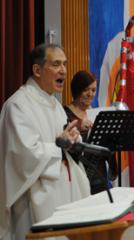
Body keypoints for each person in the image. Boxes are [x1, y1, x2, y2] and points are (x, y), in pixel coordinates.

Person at [0, 43, 90, 240]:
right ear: (37, 70)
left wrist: (73, 139)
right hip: (36, 200)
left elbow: (62, 140)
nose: (64, 71)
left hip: (64, 192)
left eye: (65, 64)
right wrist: (60, 145)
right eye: (56, 64)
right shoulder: (18, 105)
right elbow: (23, 155)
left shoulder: (54, 104)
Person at [64, 71, 116, 194]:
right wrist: (80, 129)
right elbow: (65, 146)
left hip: (99, 175)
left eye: (93, 90)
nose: (90, 94)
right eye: (86, 90)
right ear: (77, 90)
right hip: (78, 176)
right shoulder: (64, 113)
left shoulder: (96, 113)